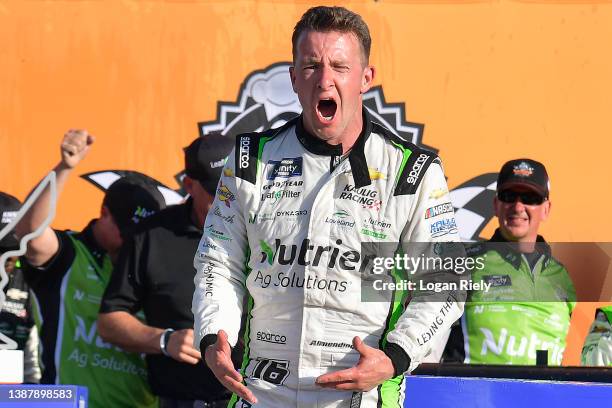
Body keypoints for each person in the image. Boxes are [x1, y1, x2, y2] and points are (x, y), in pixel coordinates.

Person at [192, 6, 464, 407]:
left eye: (340, 66)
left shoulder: (412, 171)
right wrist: (214, 334)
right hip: (260, 394)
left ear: (365, 79)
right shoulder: (251, 159)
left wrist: (394, 358)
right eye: (311, 66)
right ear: (293, 78)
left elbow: (444, 283)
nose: (325, 80)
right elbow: (219, 261)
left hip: (361, 397)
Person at [15, 130, 164, 408]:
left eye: (142, 235)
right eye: (127, 232)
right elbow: (29, 233)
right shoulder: (70, 253)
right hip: (66, 403)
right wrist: (63, 169)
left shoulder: (154, 265)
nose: (134, 242)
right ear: (104, 213)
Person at [98, 134, 236, 408]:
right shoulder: (151, 236)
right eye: (215, 190)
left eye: (233, 188)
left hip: (260, 398)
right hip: (181, 400)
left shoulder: (268, 229)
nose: (227, 199)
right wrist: (163, 340)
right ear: (189, 185)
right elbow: (109, 322)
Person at [444, 158, 576, 365]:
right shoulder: (464, 263)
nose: (518, 206)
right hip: (473, 395)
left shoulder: (562, 276)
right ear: (496, 205)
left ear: (546, 208)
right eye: (509, 196)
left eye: (530, 198)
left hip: (544, 397)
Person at [0, 192, 41, 383]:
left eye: (13, 249)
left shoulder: (30, 282)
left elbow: (32, 367)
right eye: (0, 249)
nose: (7, 258)